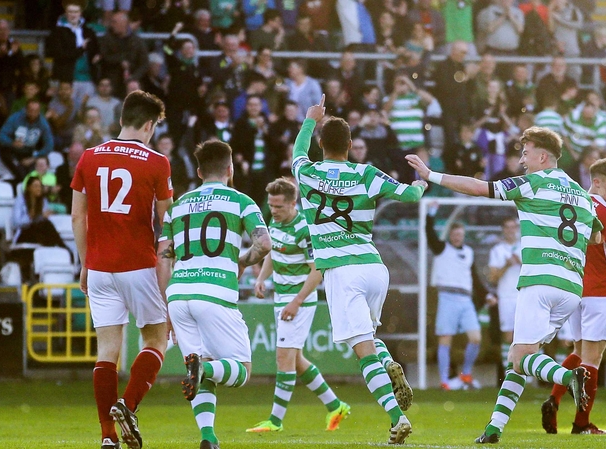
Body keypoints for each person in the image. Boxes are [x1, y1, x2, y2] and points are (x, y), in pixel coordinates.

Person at [406, 126, 603, 445]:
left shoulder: (534, 183)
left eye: (526, 154)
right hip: (571, 288)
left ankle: (569, 377)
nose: (522, 160)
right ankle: (494, 429)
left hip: (539, 283)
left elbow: (480, 187)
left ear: (543, 156)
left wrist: (432, 175)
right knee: (519, 358)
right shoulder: (581, 194)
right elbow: (597, 235)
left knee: (521, 356)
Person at [292, 95, 426, 444]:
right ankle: (389, 362)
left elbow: (297, 153)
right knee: (370, 337)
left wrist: (310, 118)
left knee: (361, 349)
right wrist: (421, 183)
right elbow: (410, 198)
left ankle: (397, 418)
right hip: (373, 267)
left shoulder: (306, 172)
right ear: (351, 146)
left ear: (321, 143)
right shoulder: (366, 173)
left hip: (341, 272)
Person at [70, 91, 173, 449]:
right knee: (157, 340)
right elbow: (167, 223)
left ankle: (107, 437)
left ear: (121, 120)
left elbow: (77, 216)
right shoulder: (157, 162)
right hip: (139, 265)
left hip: (98, 267)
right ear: (148, 125)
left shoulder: (88, 156)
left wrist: (85, 262)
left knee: (107, 351)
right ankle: (127, 406)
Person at [155, 139, 270, 449]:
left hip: (179, 294)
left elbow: (163, 256)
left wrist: (167, 307)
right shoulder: (241, 201)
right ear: (230, 170)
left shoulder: (177, 207)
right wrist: (241, 261)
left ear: (198, 171)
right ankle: (202, 369)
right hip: (215, 293)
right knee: (240, 370)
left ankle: (208, 438)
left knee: (201, 364)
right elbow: (264, 244)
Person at [246, 178, 351, 432]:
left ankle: (275, 421)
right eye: (271, 205)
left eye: (279, 206)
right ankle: (336, 406)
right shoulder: (274, 221)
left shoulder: (307, 229)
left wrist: (297, 301)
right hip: (282, 297)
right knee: (296, 359)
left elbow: (318, 271)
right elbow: (272, 253)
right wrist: (261, 277)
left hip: (299, 299)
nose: (274, 211)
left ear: (293, 203)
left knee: (283, 357)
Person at [542, 158, 606, 435]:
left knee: (579, 353)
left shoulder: (573, 204)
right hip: (600, 292)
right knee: (592, 360)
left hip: (574, 290)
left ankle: (554, 399)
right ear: (598, 180)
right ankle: (581, 423)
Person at [426, 202, 490, 390]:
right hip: (447, 297)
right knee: (445, 338)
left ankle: (466, 375)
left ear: (463, 235)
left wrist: (486, 295)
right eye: (454, 234)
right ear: (450, 236)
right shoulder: (441, 248)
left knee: (475, 337)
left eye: (460, 234)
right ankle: (445, 380)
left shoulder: (469, 252)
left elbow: (475, 278)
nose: (457, 237)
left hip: (466, 299)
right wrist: (431, 213)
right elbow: (429, 234)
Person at [488, 216, 522, 369]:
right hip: (506, 296)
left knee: (526, 336)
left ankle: (526, 372)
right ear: (503, 230)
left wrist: (520, 262)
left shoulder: (525, 247)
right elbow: (493, 277)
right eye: (507, 227)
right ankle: (508, 371)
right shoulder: (497, 250)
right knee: (508, 336)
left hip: (524, 296)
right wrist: (507, 265)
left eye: (512, 227)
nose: (510, 230)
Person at [0, 99, 54, 183]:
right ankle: (21, 181)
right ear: (26, 110)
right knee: (4, 153)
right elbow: (0, 136)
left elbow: (49, 145)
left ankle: (25, 182)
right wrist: (12, 143)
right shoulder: (15, 118)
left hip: (30, 152)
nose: (33, 113)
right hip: (13, 150)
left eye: (36, 111)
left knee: (41, 162)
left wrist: (34, 158)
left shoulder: (43, 123)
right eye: (31, 110)